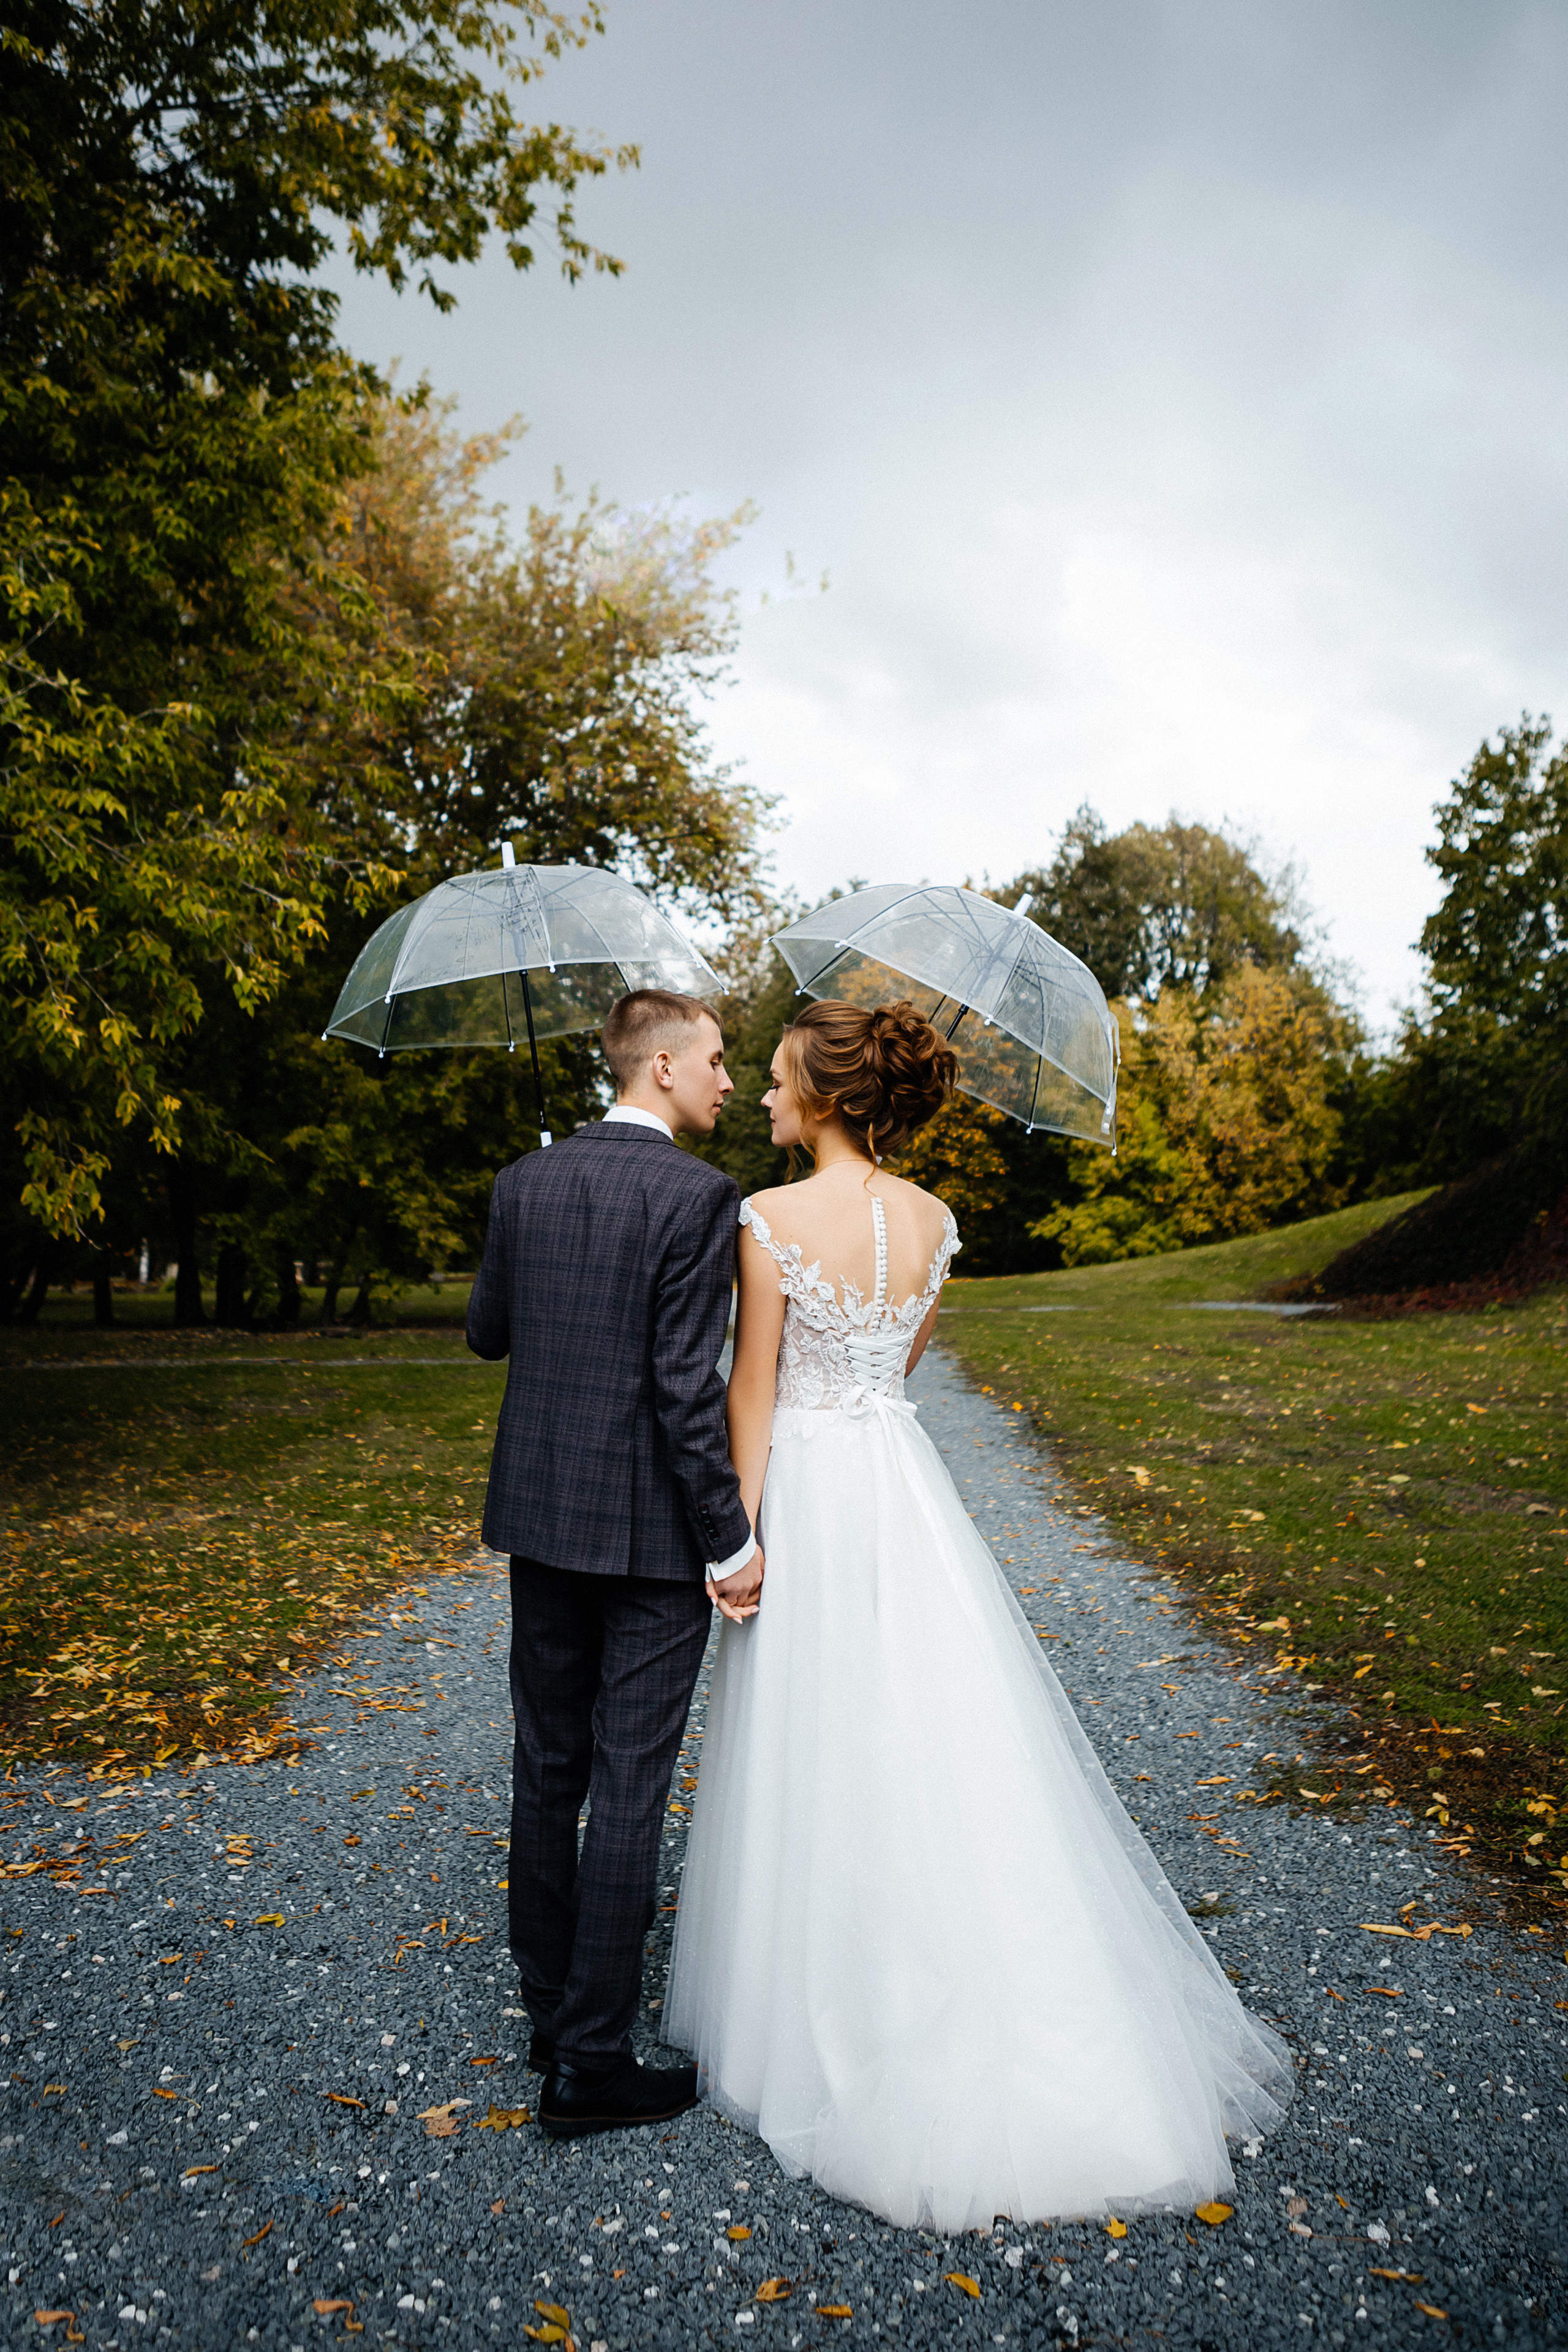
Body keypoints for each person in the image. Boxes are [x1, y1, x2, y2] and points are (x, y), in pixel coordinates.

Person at [663, 997, 1291, 2230]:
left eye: (782, 1079)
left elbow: (753, 1391)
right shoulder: (937, 1223)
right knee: (932, 1728)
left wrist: (736, 1542)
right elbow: (890, 1373)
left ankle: (830, 2000)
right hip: (899, 1490)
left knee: (819, 1733)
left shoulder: (766, 1217)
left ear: (828, 1097)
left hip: (808, 1485)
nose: (770, 1097)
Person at [466, 987, 763, 2141]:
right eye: (718, 1061)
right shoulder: (698, 1198)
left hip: (541, 1520)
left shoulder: (524, 1181)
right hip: (645, 1540)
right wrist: (730, 1538)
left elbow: (489, 1331)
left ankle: (551, 2015)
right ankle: (590, 2065)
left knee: (548, 1766)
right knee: (628, 1785)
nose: (729, 1081)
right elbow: (687, 1392)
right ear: (662, 1069)